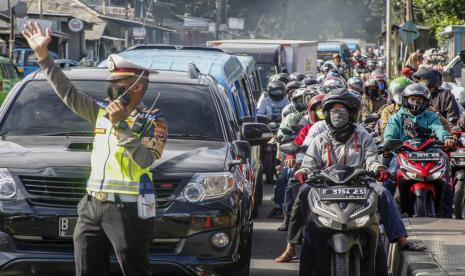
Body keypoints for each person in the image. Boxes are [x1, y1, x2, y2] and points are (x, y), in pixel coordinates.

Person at [22, 22, 167, 276]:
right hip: (91, 206)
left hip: (128, 210)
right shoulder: (100, 111)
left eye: (120, 82)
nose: (113, 87)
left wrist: (121, 125)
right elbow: (67, 93)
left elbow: (145, 160)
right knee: (86, 269)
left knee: (134, 270)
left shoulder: (153, 122)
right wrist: (43, 57)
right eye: (112, 81)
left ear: (139, 86)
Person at [293, 88, 426, 275]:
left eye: (342, 111)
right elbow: (309, 163)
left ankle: (402, 239)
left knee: (383, 193)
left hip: (359, 184)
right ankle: (294, 239)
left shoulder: (362, 135)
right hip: (325, 186)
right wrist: (303, 172)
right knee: (304, 195)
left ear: (352, 113)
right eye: (333, 111)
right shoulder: (319, 138)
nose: (337, 115)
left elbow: (372, 158)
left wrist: (378, 168)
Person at [384, 83, 454, 217]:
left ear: (426, 102)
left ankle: (447, 214)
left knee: (444, 179)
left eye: (419, 100)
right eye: (412, 99)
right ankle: (387, 213)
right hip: (403, 152)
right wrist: (389, 145)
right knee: (391, 175)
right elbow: (389, 137)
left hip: (430, 152)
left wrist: (446, 138)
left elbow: (438, 128)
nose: (415, 103)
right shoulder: (397, 117)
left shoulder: (431, 116)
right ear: (405, 100)